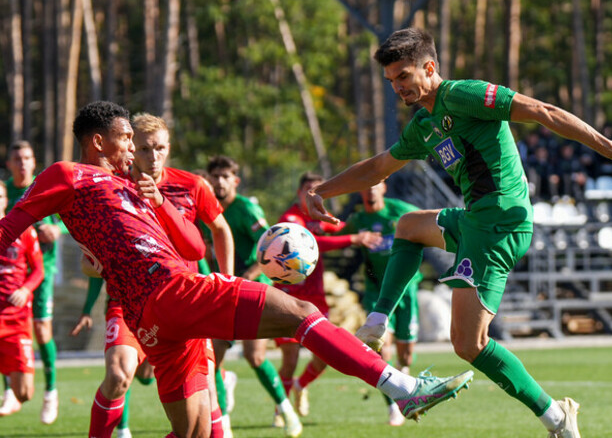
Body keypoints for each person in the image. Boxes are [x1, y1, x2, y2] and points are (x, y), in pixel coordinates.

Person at [0, 100, 472, 438]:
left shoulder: (134, 188)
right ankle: (403, 388)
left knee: (195, 432)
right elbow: (12, 225)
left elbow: (190, 242)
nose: (135, 149)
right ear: (98, 141)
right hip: (167, 294)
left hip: (160, 316)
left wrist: (160, 203)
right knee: (298, 310)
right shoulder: (69, 174)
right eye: (127, 139)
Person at [306, 28, 612, 438]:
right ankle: (376, 321)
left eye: (404, 76)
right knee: (407, 226)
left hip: (500, 225)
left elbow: (542, 110)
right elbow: (378, 167)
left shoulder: (464, 94)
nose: (398, 87)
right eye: (391, 80)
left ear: (430, 67)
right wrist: (321, 190)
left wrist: (605, 145)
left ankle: (557, 419)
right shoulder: (424, 123)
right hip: (475, 219)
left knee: (468, 343)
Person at [69, 112, 233, 438]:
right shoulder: (111, 188)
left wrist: (226, 282)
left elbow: (220, 231)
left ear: (169, 148)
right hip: (129, 303)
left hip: (186, 303)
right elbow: (88, 262)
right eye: (143, 148)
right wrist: (96, 266)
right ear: (130, 148)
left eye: (159, 148)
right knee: (118, 376)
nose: (152, 156)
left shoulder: (192, 185)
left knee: (204, 412)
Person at [273, 171, 382, 423]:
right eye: (309, 190)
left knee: (325, 356)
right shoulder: (290, 218)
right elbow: (313, 242)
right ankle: (282, 411)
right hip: (288, 295)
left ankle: (301, 386)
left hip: (315, 299)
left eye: (318, 191)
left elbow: (338, 226)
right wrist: (354, 238)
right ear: (299, 193)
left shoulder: (318, 217)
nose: (313, 196)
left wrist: (361, 227)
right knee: (290, 358)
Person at [206, 155, 302, 438]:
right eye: (215, 176)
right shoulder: (206, 209)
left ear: (235, 181)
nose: (220, 181)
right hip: (221, 291)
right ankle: (224, 426)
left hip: (250, 290)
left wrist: (248, 274)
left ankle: (286, 409)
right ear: (209, 179)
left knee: (255, 357)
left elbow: (271, 245)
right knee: (215, 360)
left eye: (225, 176)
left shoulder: (246, 208)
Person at [343, 180, 423, 426]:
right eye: (365, 185)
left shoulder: (400, 210)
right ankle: (393, 404)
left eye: (375, 184)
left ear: (384, 188)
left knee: (406, 356)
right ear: (360, 191)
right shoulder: (357, 221)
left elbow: (427, 221)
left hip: (406, 288)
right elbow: (336, 232)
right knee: (381, 348)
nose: (370, 189)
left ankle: (404, 384)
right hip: (376, 290)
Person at [2, 140, 67, 424]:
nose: (23, 163)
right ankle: (9, 390)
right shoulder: (4, 192)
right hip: (10, 275)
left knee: (42, 330)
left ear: (33, 161)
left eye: (27, 158)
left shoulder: (43, 186)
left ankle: (51, 391)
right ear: (9, 164)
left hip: (41, 270)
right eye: (17, 159)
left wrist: (58, 228)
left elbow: (68, 216)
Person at [0, 180, 44, 417]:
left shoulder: (23, 230)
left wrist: (26, 289)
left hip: (17, 320)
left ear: (6, 200)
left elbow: (38, 270)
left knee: (25, 393)